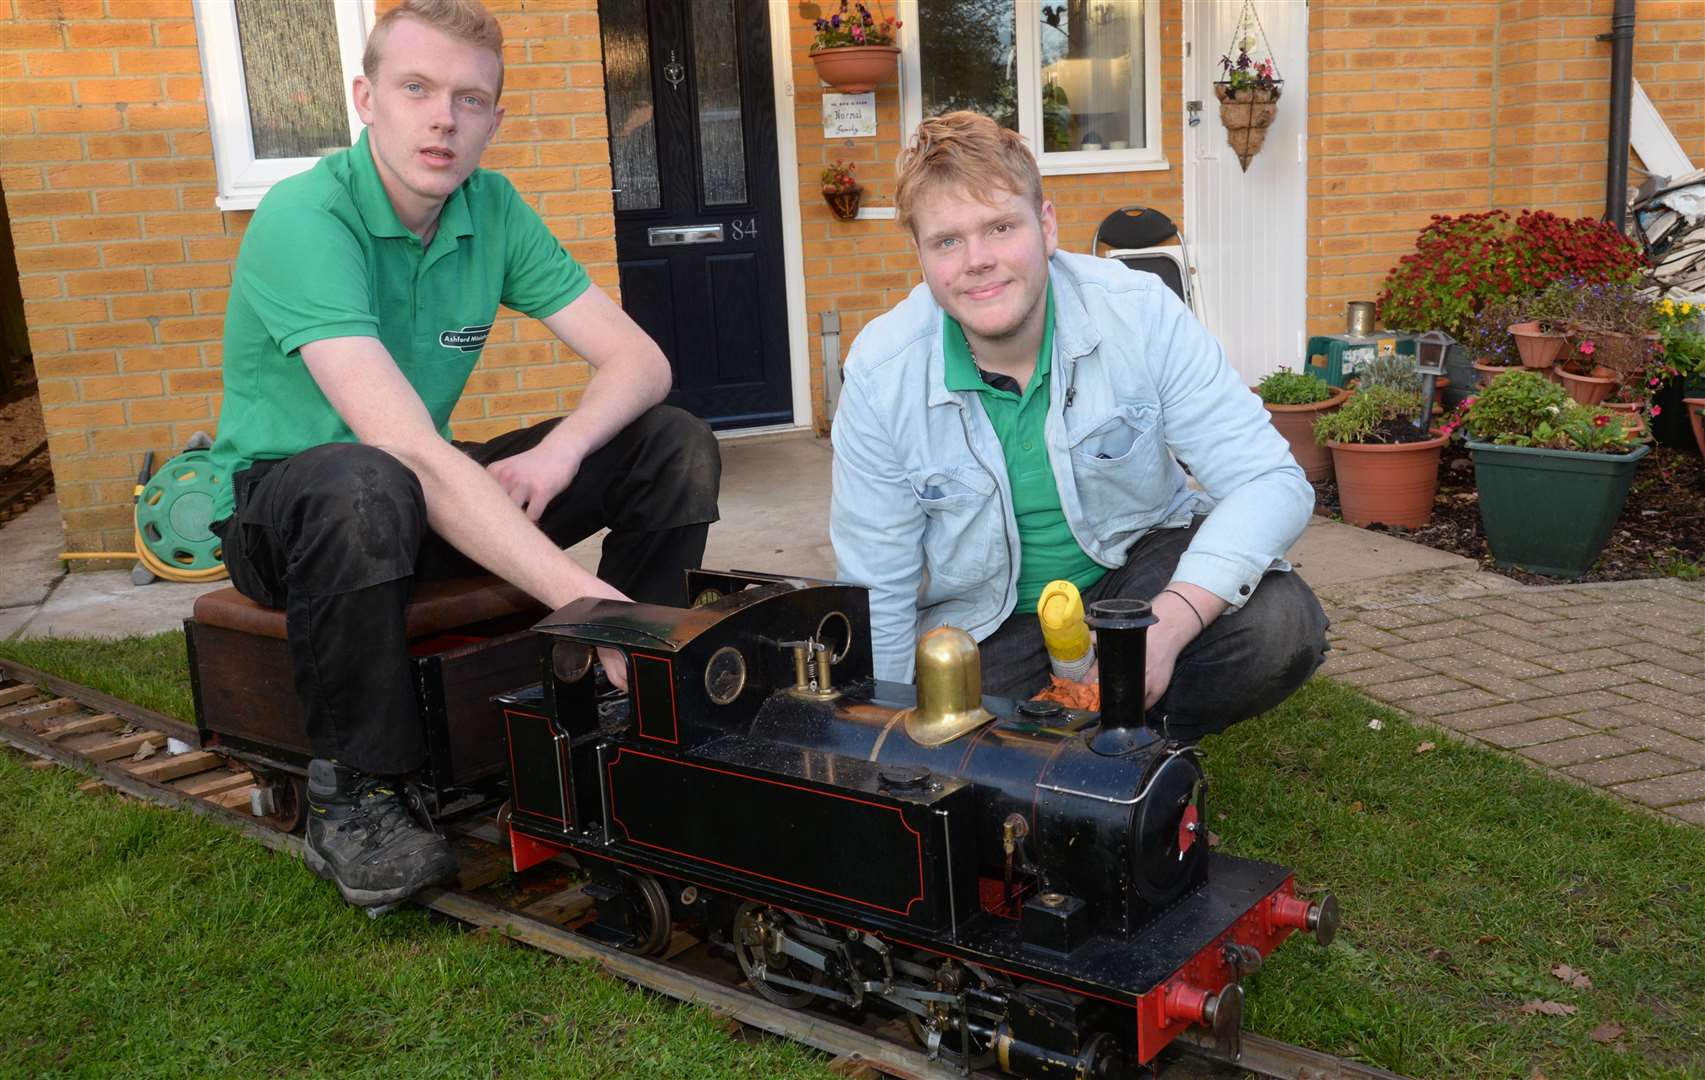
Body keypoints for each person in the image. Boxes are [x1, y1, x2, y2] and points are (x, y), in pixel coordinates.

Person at [208, 0, 720, 909]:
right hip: (288, 511)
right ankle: (357, 795)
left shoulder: (492, 208)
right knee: (367, 481)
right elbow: (396, 442)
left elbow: (642, 362)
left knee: (669, 442)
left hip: (410, 490)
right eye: (417, 88)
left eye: (469, 98)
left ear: (494, 119)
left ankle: (624, 711)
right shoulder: (302, 216)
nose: (443, 117)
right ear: (367, 99)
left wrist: (558, 455)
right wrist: (586, 600)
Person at [829, 111, 1326, 741]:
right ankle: (1081, 747)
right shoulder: (881, 371)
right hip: (990, 617)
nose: (977, 261)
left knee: (1278, 626)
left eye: (1000, 227)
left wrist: (1170, 624)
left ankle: (1118, 737)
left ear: (1047, 225)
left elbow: (1270, 481)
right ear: (921, 256)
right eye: (947, 241)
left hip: (1133, 576)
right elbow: (879, 582)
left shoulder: (1139, 312)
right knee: (955, 733)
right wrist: (897, 733)